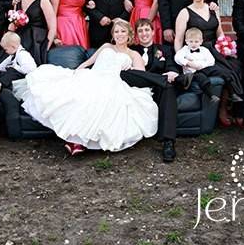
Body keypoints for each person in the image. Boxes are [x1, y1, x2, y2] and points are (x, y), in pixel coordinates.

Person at [13, 19, 158, 154]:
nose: (119, 34)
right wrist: (76, 72)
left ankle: (80, 141)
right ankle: (74, 139)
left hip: (112, 82)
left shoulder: (133, 54)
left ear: (129, 34)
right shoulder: (107, 46)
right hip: (93, 76)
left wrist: (130, 70)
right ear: (113, 35)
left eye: (123, 31)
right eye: (116, 32)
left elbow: (141, 76)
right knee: (77, 97)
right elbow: (89, 62)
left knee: (102, 102)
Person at [174, 0, 243, 126]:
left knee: (236, 66)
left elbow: (220, 33)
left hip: (214, 50)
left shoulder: (213, 9)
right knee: (223, 71)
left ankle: (229, 107)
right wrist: (183, 62)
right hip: (197, 53)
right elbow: (178, 40)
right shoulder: (184, 13)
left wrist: (226, 47)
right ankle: (222, 110)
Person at [128, 19, 181, 162]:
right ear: (136, 35)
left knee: (168, 88)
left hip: (158, 89)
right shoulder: (131, 51)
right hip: (138, 89)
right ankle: (165, 80)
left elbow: (172, 66)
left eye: (146, 30)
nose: (144, 34)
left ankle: (168, 142)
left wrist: (172, 72)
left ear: (152, 32)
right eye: (140, 31)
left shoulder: (165, 50)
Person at [9, 0, 57, 65]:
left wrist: (46, 47)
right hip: (20, 40)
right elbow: (12, 27)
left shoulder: (43, 0)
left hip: (37, 41)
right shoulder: (17, 2)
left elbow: (52, 27)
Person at [174, 27, 222, 104]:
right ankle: (211, 95)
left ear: (201, 41)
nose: (193, 44)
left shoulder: (204, 50)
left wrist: (200, 65)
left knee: (217, 69)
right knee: (201, 77)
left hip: (203, 69)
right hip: (192, 74)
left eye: (196, 41)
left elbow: (211, 61)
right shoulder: (184, 50)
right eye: (191, 41)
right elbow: (177, 58)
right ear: (186, 41)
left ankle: (232, 91)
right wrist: (188, 63)